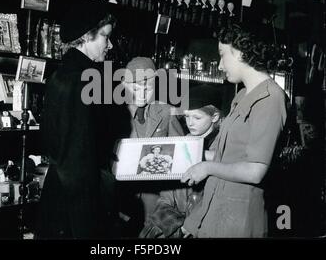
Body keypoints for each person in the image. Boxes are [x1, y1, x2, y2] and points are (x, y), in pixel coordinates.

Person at [180, 23, 288, 238]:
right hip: (216, 207)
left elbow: (255, 171)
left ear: (239, 53)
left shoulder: (270, 99)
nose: (220, 65)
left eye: (222, 55)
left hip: (240, 220)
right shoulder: (242, 96)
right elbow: (226, 155)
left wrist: (207, 166)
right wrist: (184, 152)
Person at [35, 2, 116, 239]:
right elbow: (81, 154)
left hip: (59, 192)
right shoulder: (89, 80)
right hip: (80, 200)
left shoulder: (60, 75)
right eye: (105, 37)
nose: (109, 45)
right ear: (85, 37)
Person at [139, 85, 222, 238]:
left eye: (197, 118)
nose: (190, 123)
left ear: (215, 117)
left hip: (202, 221)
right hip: (176, 213)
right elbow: (170, 189)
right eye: (186, 117)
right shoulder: (185, 140)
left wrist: (188, 224)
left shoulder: (221, 146)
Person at [117, 56, 184, 237]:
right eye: (135, 87)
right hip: (120, 200)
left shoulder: (166, 112)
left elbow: (181, 155)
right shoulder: (113, 115)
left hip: (155, 203)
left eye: (148, 87)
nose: (142, 93)